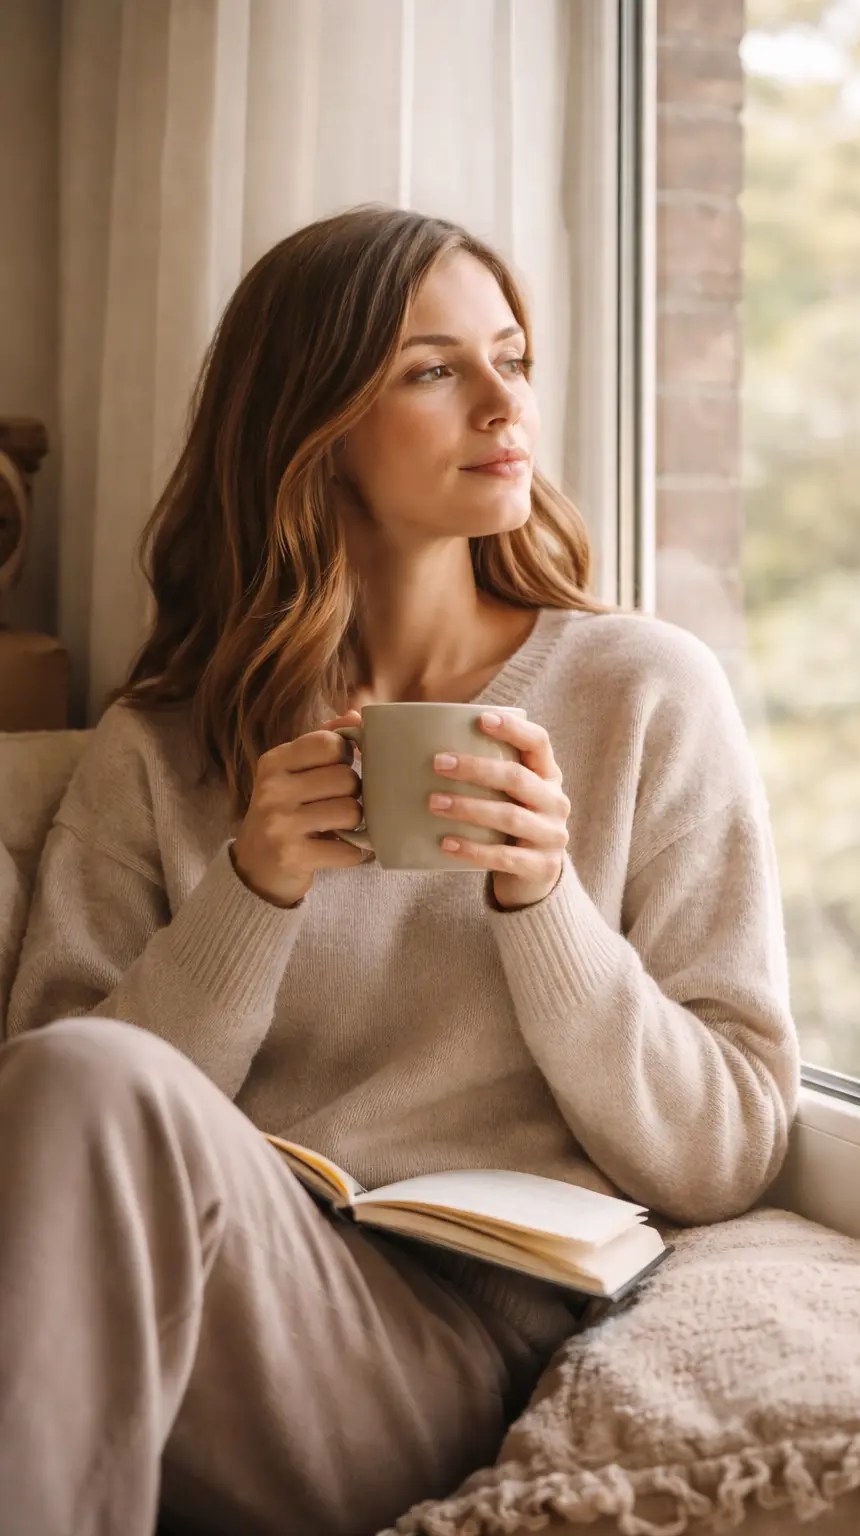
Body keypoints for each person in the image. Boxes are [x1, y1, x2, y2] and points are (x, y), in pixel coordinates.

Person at [1, 204, 800, 1536]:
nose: (505, 402)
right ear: (311, 432)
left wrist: (545, 908)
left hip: (456, 1349)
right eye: (435, 370)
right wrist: (246, 900)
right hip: (212, 1304)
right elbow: (48, 1128)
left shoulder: (642, 694)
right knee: (89, 1073)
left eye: (512, 356)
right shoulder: (162, 747)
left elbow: (727, 1149)